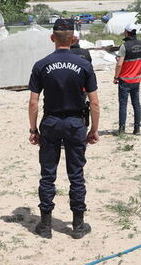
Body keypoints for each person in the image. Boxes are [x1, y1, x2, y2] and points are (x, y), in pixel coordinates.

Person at [28, 18, 100, 240]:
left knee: (47, 174)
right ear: (73, 38)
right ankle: (77, 225)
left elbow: (33, 103)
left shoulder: (41, 65)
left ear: (52, 38)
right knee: (76, 174)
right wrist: (94, 130)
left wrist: (33, 129)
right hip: (75, 123)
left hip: (51, 122)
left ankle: (46, 224)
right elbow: (95, 103)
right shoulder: (84, 65)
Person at [113, 24, 141, 135]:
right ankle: (137, 129)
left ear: (127, 32)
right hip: (136, 80)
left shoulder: (124, 46)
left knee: (123, 105)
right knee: (136, 104)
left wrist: (116, 77)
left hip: (125, 80)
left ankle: (122, 129)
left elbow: (119, 64)